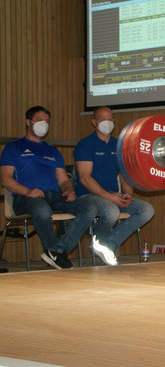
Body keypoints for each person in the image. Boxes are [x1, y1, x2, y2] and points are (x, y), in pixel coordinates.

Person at [0, 106, 97, 269]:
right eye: (39, 120)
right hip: (26, 198)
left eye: (46, 121)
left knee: (90, 208)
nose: (44, 124)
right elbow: (5, 179)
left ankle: (56, 250)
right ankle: (56, 252)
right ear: (28, 122)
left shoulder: (52, 150)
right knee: (42, 210)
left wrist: (69, 189)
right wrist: (27, 191)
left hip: (53, 196)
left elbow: (63, 180)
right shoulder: (14, 147)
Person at [74, 106, 154, 266]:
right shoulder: (86, 144)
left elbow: (124, 174)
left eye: (110, 119)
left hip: (113, 196)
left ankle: (107, 244)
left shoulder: (119, 145)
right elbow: (84, 178)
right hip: (88, 196)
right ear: (94, 122)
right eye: (103, 119)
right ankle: (102, 244)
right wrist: (109, 197)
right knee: (111, 211)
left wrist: (128, 194)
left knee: (146, 210)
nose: (107, 123)